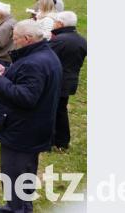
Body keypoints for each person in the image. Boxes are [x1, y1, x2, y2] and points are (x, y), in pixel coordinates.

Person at [0, 20, 62, 213]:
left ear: (28, 39)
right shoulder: (44, 55)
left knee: (14, 172)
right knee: (26, 171)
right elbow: (29, 85)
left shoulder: (34, 63)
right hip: (33, 126)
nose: (14, 42)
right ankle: (20, 206)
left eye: (16, 38)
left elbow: (26, 97)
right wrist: (8, 74)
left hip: (22, 129)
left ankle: (17, 208)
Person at [47, 11, 87, 151]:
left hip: (57, 80)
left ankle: (51, 141)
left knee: (52, 110)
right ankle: (62, 141)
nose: (54, 23)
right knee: (61, 110)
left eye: (56, 21)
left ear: (61, 23)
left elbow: (47, 57)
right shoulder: (81, 40)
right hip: (71, 79)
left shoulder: (59, 40)